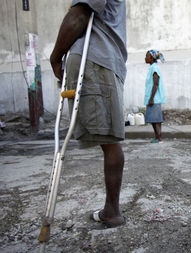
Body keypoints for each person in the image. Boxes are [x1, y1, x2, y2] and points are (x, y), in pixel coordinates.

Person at [50, 0, 127, 228]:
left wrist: (55, 57)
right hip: (99, 61)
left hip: (95, 59)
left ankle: (112, 211)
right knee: (109, 141)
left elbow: (79, 16)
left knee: (110, 141)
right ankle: (111, 210)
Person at [144, 50, 166, 143]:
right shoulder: (152, 67)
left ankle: (159, 138)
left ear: (152, 58)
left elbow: (156, 84)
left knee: (156, 120)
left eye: (147, 56)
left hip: (154, 99)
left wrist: (152, 98)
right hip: (151, 98)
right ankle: (156, 137)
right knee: (152, 119)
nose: (145, 58)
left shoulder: (155, 68)